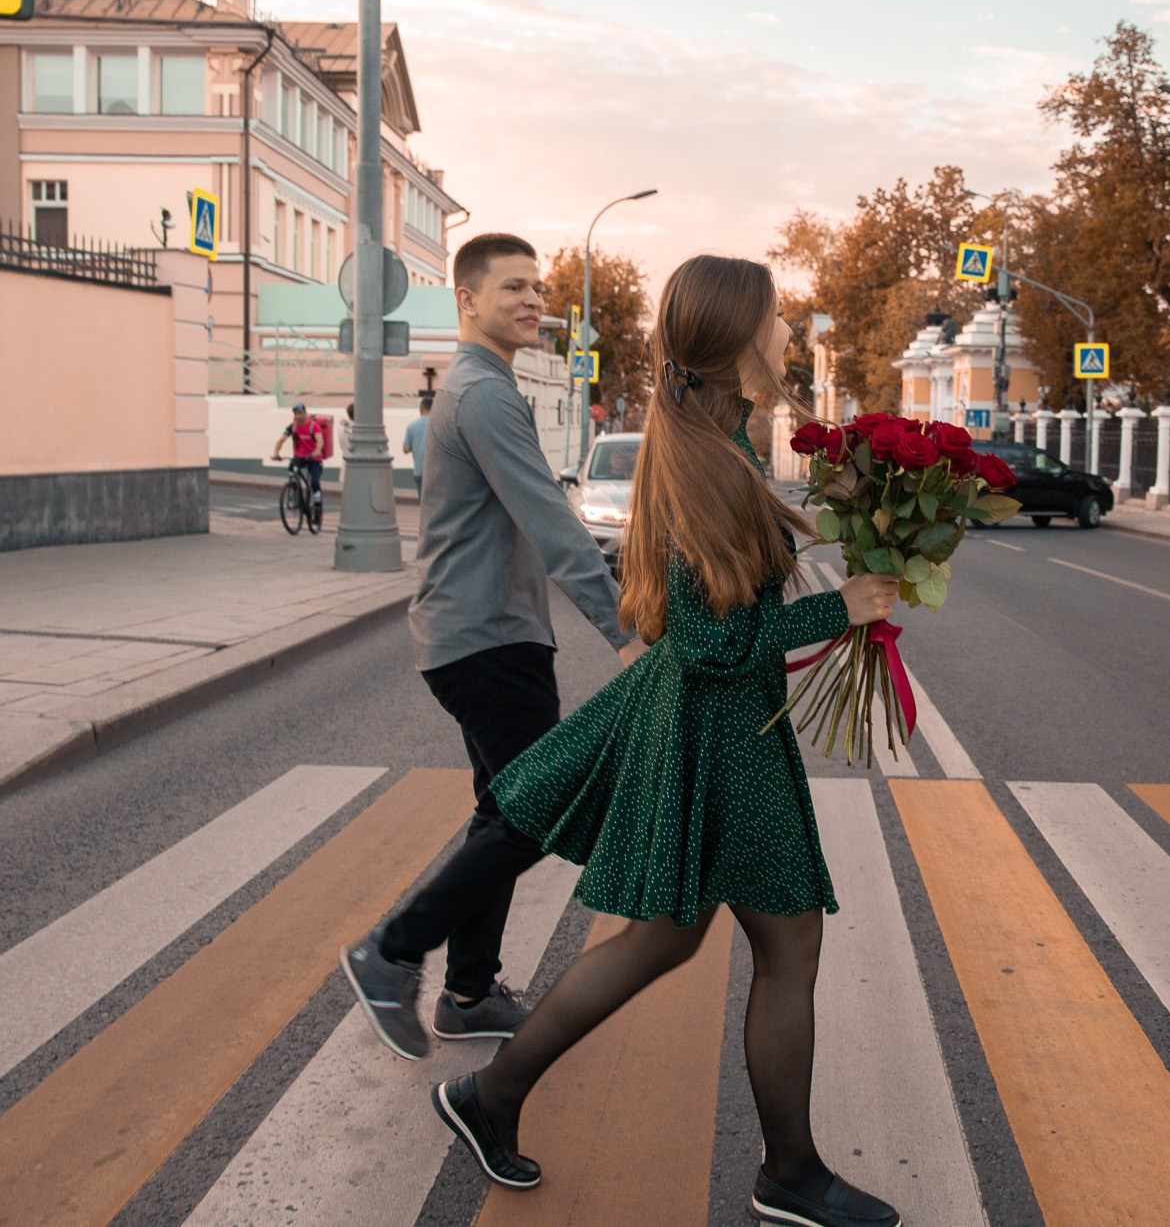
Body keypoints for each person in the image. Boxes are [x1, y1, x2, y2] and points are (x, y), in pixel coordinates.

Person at [431, 255, 904, 1227]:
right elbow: (708, 640)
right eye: (774, 322)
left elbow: (721, 609)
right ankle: (789, 1175)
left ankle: (489, 1095)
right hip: (719, 739)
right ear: (735, 339)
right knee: (788, 945)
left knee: (663, 942)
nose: (785, 336)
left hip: (713, 733)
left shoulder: (716, 438)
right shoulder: (699, 459)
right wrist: (838, 609)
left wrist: (854, 534)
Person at [340, 234, 635, 1057]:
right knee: (541, 805)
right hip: (488, 640)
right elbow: (551, 521)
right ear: (466, 300)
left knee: (504, 807)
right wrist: (624, 633)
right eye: (513, 287)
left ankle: (468, 993)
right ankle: (392, 950)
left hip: (478, 632)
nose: (533, 300)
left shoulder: (480, 388)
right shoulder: (484, 395)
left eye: (537, 287)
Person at [270, 402, 331, 527]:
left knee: (314, 482)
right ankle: (295, 491)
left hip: (314, 458)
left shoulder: (313, 426)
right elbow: (281, 439)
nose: (297, 416)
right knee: (292, 469)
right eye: (295, 414)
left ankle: (317, 510)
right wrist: (276, 453)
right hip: (300, 457)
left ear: (304, 413)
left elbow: (320, 440)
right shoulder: (293, 427)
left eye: (299, 413)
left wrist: (317, 450)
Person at [401, 390, 434, 492]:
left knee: (422, 503)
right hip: (434, 473)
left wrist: (416, 445)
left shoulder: (411, 426)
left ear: (420, 409)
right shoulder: (437, 425)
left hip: (419, 471)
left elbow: (405, 449)